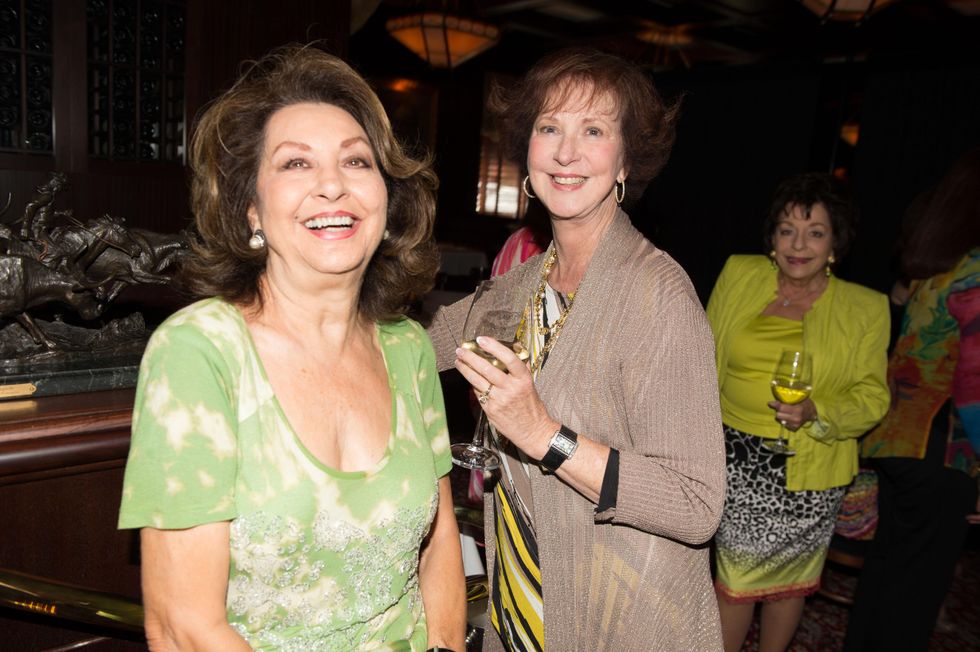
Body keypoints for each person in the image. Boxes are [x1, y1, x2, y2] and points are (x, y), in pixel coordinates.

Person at [117, 45, 466, 651]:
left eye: (356, 162)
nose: (332, 185)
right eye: (295, 165)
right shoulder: (200, 353)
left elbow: (439, 550)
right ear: (251, 209)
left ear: (386, 201)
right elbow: (184, 628)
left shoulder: (408, 347)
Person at [428, 47, 727, 651]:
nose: (567, 152)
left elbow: (697, 503)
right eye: (549, 128)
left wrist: (544, 435)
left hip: (621, 613)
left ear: (625, 161)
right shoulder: (524, 280)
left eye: (593, 130)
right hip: (522, 588)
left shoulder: (657, 293)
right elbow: (417, 345)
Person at [706, 172, 890, 652]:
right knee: (735, 580)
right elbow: (702, 351)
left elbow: (873, 397)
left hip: (807, 467)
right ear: (772, 238)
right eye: (787, 229)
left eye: (815, 232)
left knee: (787, 584)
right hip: (729, 455)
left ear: (835, 242)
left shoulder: (865, 308)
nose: (798, 244)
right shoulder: (740, 274)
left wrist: (815, 412)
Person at [844, 146, 980, 652]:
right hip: (941, 451)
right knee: (914, 596)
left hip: (895, 440)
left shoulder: (932, 267)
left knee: (884, 579)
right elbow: (973, 387)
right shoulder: (975, 270)